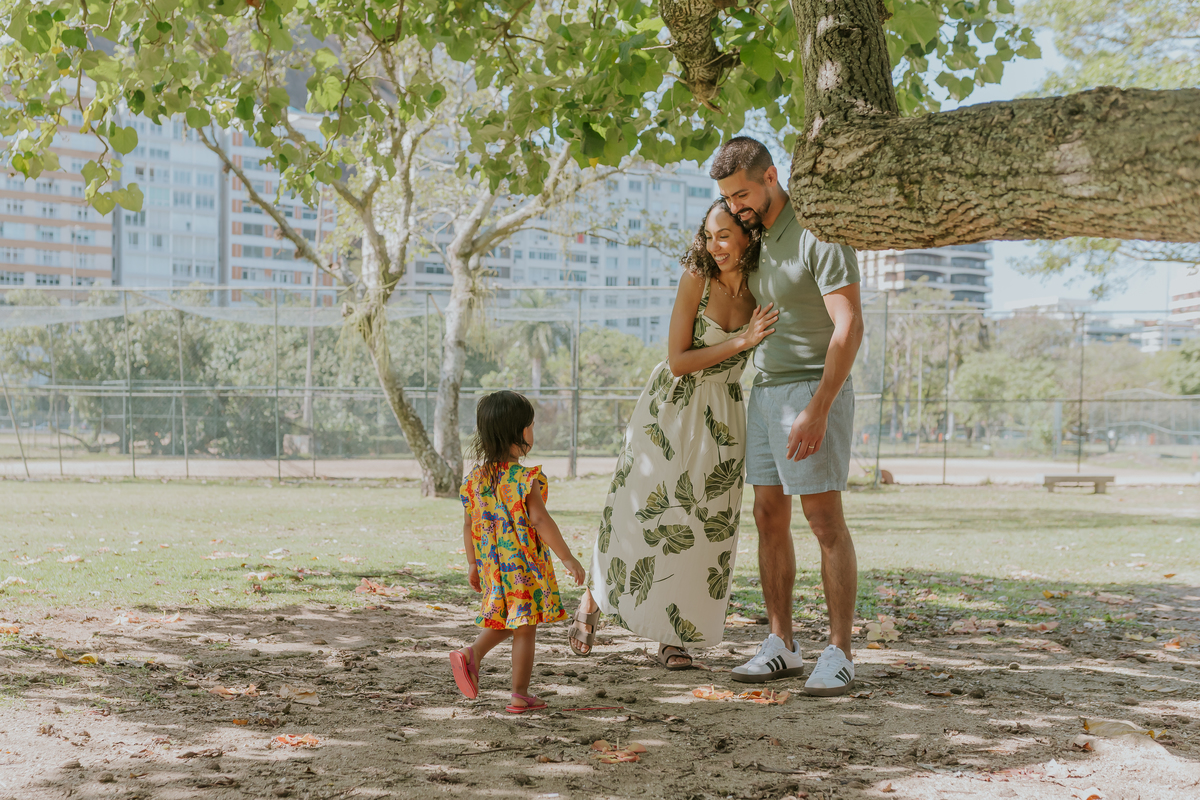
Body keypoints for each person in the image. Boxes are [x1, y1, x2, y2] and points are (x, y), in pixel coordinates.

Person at [566, 198, 779, 668]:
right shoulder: (696, 279)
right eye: (708, 235)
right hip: (670, 411)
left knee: (701, 528)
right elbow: (680, 360)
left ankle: (673, 639)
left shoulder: (764, 288)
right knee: (643, 514)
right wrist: (742, 340)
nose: (714, 245)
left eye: (724, 235)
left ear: (748, 234)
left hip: (724, 415)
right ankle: (593, 600)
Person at [712, 137, 864, 696]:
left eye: (742, 193)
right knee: (767, 517)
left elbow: (849, 327)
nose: (735, 205)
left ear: (772, 176)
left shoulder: (818, 233)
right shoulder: (757, 237)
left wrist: (819, 407)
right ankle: (782, 645)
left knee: (824, 522)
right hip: (766, 390)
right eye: (728, 197)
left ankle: (840, 652)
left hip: (811, 391)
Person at [451, 390, 585, 712]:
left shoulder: (474, 480)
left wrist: (472, 564)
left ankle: (476, 658)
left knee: (508, 621)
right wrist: (567, 557)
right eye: (532, 426)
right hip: (523, 566)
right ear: (522, 432)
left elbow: (469, 527)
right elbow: (539, 519)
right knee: (525, 628)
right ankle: (516, 691)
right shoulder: (525, 478)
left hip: (493, 567)